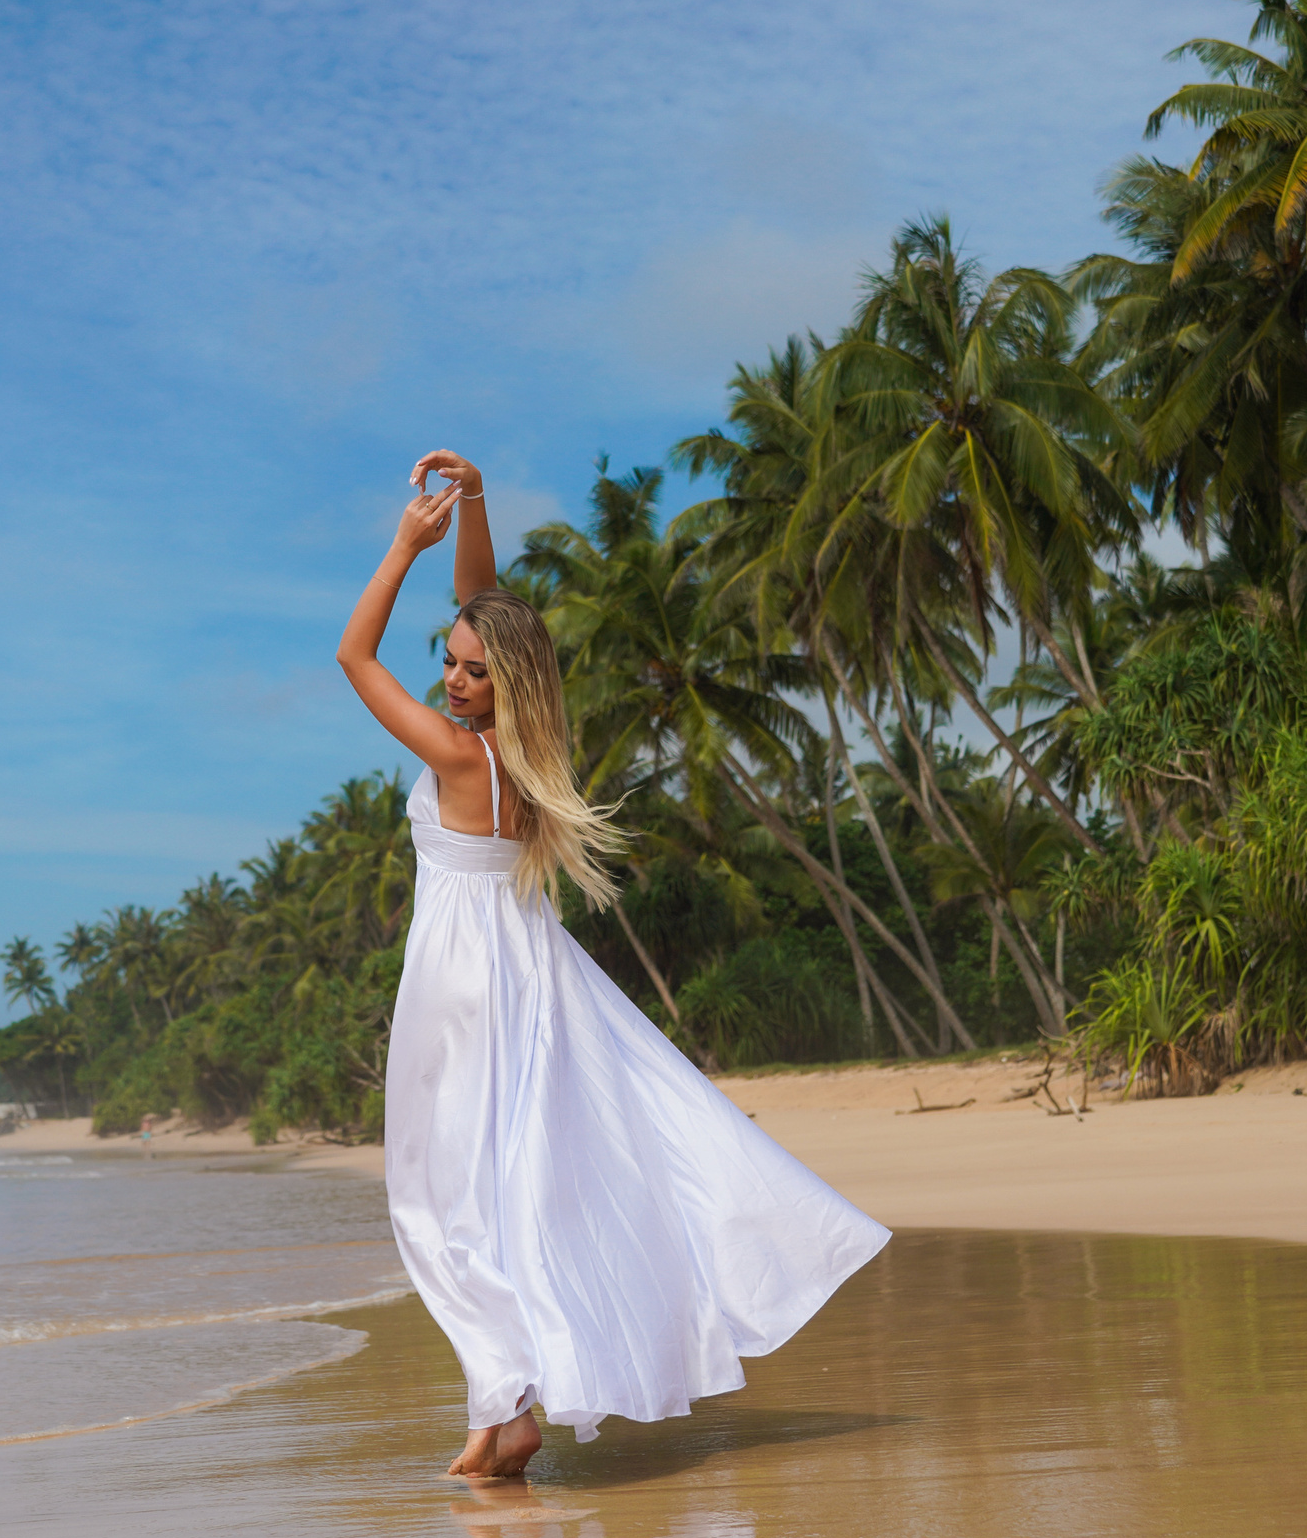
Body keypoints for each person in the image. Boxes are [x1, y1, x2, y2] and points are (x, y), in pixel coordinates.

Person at [335, 448, 893, 1481]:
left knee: (443, 1201)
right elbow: (487, 606)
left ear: (504, 686)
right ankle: (500, 1409)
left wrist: (401, 546)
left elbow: (353, 658)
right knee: (497, 1193)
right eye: (450, 662)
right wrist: (477, 506)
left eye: (470, 671)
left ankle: (502, 1403)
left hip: (462, 991)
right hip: (519, 973)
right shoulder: (525, 753)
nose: (452, 680)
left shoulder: (461, 757)